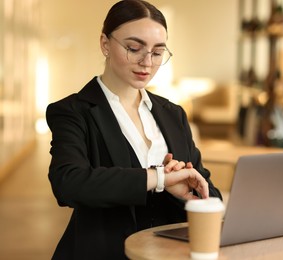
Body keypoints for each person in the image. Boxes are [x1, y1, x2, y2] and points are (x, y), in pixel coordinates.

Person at [45, 0, 222, 259]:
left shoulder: (173, 114)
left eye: (158, 52)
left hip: (170, 253)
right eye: (134, 48)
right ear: (105, 44)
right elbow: (69, 184)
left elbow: (208, 189)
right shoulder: (73, 111)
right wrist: (159, 178)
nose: (147, 62)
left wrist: (186, 186)